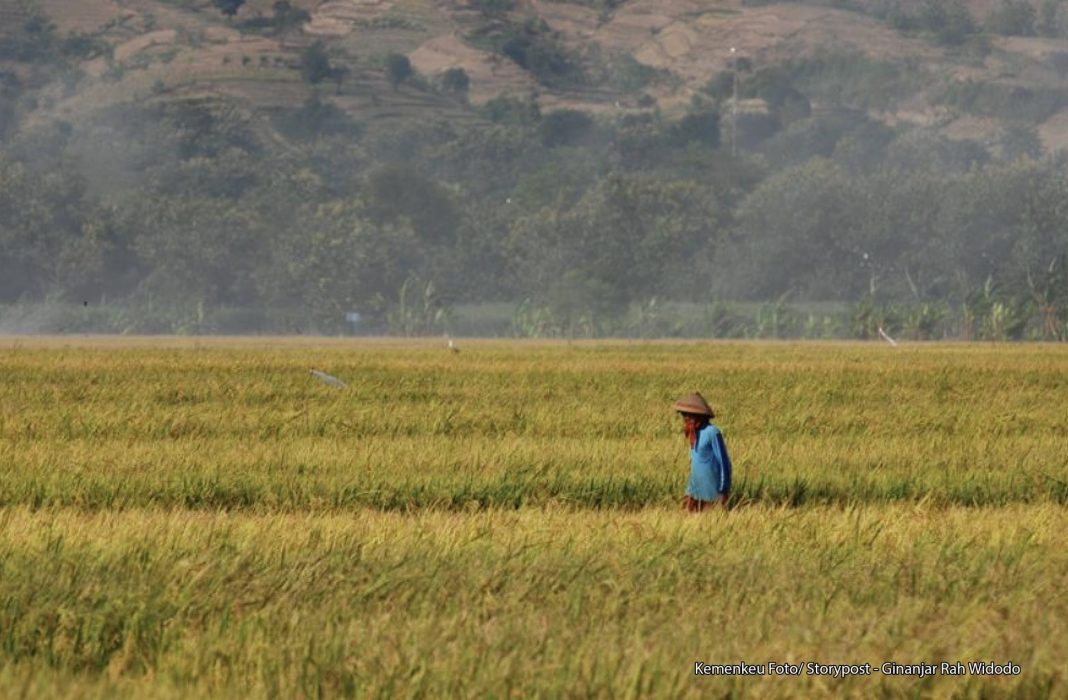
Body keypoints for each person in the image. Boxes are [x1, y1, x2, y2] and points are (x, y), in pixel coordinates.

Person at [673, 392, 732, 512]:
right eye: (684, 415)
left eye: (689, 416)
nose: (686, 419)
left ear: (699, 417)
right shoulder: (693, 434)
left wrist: (723, 489)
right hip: (694, 491)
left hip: (711, 493)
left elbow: (724, 463)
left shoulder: (712, 432)